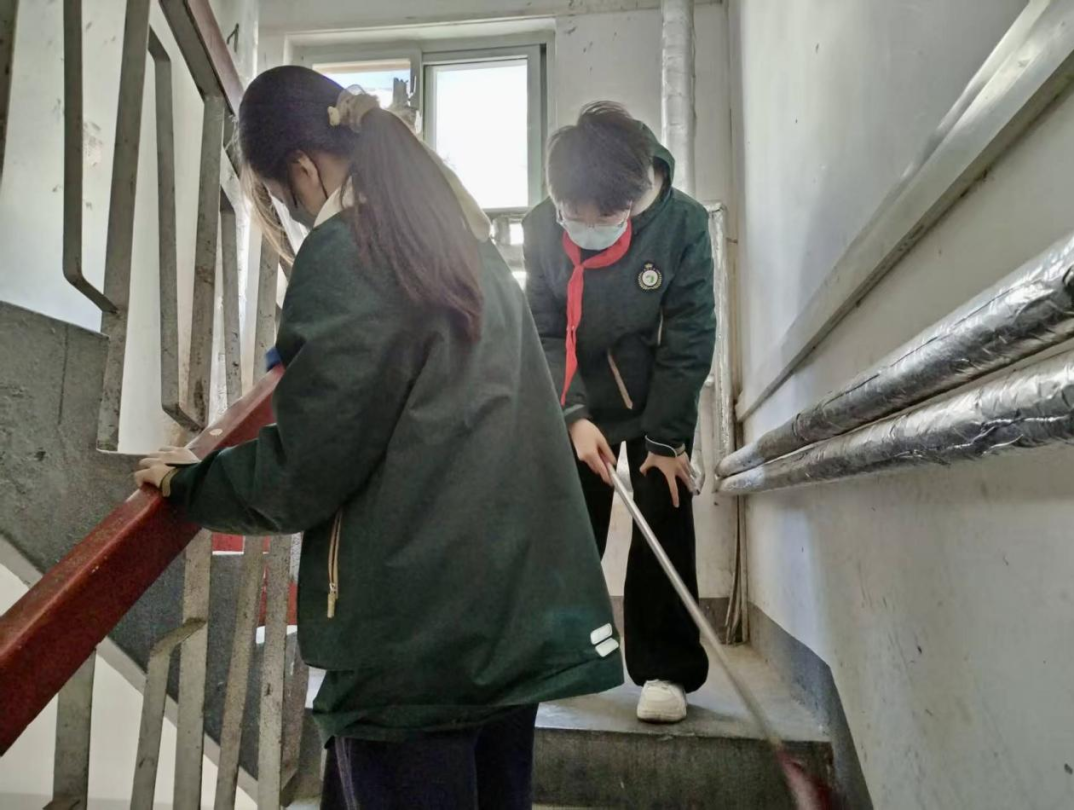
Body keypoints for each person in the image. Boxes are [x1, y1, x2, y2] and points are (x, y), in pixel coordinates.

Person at [135, 66, 623, 810]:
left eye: (282, 198)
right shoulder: (465, 244)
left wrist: (193, 481)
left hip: (414, 636)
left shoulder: (349, 253)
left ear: (303, 168)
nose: (294, 214)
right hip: (508, 621)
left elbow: (306, 467)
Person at [523, 102, 716, 724]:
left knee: (664, 503)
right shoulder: (541, 227)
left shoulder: (681, 224)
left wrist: (666, 441)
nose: (584, 228)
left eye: (601, 219)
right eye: (571, 214)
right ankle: (564, 655)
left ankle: (666, 669)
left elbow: (690, 335)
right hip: (580, 393)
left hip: (657, 392)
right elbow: (543, 328)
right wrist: (573, 415)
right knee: (568, 524)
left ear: (631, 202)